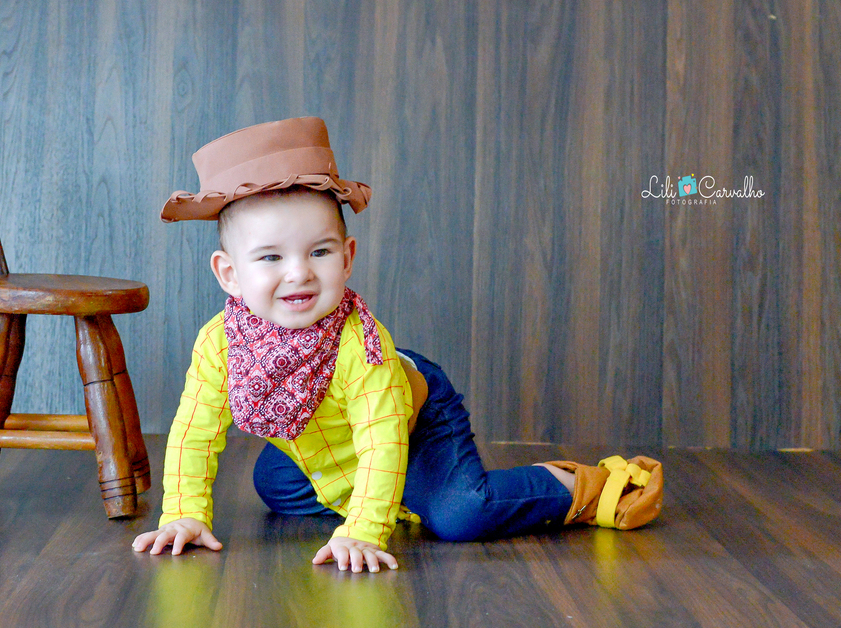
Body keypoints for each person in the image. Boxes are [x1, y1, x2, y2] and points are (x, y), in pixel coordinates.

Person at [131, 117, 662, 573]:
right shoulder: (219, 342)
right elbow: (194, 431)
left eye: (319, 251)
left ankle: (580, 487)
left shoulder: (362, 347)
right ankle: (388, 492)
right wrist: (185, 510)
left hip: (412, 416)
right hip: (327, 437)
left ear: (346, 256)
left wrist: (363, 529)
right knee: (276, 487)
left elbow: (382, 441)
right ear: (229, 274)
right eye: (270, 258)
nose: (298, 274)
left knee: (458, 516)